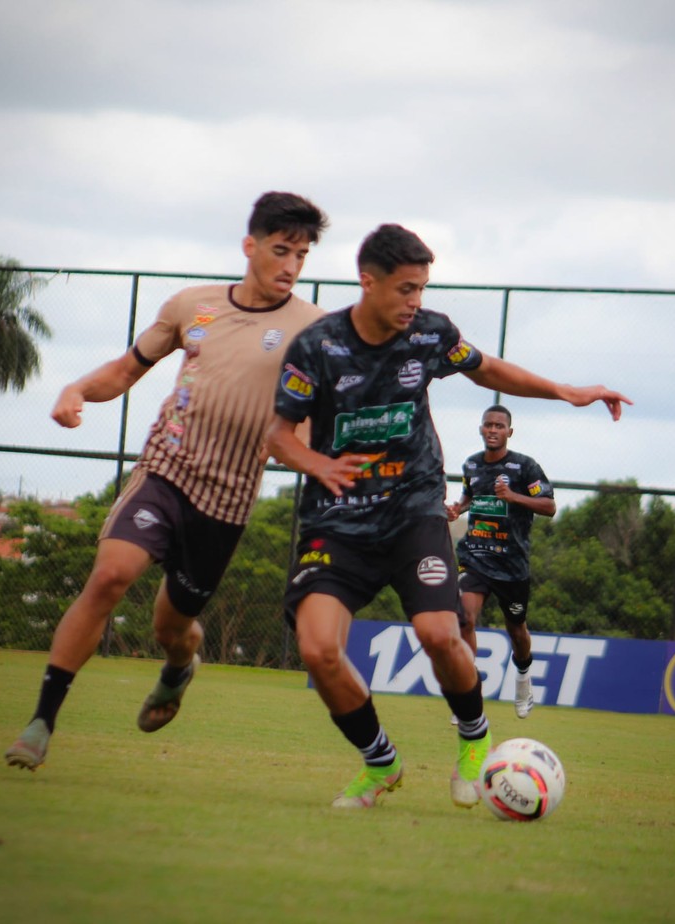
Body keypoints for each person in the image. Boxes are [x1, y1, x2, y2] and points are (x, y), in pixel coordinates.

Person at [265, 223, 631, 810]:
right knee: (317, 649)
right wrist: (319, 464)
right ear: (369, 281)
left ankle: (473, 739)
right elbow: (278, 435)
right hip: (337, 522)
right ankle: (380, 763)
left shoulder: (430, 334)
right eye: (406, 288)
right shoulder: (317, 347)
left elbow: (486, 368)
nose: (416, 301)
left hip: (414, 512)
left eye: (423, 288)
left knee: (440, 632)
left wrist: (566, 391)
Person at [5, 191, 329, 770]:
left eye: (301, 256)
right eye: (281, 251)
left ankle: (181, 666)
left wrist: (306, 451)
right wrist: (77, 389)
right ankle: (40, 722)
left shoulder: (313, 329)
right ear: (249, 246)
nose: (290, 266)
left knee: (173, 626)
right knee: (109, 576)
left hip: (227, 500)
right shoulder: (192, 306)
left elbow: (312, 414)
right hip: (166, 470)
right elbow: (128, 368)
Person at [446, 405, 556, 720]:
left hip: (512, 564)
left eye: (499, 425)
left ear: (509, 431)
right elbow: (470, 497)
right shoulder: (471, 465)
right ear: (481, 429)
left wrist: (514, 497)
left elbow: (549, 506)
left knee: (517, 630)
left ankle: (522, 680)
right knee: (464, 617)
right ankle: (468, 694)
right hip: (476, 555)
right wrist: (457, 509)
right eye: (488, 425)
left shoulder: (525, 467)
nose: (493, 430)